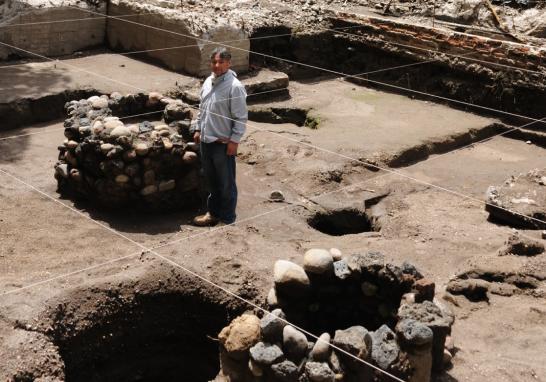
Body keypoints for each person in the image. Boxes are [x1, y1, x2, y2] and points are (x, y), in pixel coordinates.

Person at [192, 47, 248, 226]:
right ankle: (213, 214)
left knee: (226, 184)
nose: (217, 65)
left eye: (221, 62)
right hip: (206, 141)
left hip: (223, 143)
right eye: (214, 62)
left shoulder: (235, 87)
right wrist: (198, 129)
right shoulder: (208, 81)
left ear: (228, 63)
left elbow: (241, 117)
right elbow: (202, 108)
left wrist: (234, 141)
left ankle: (227, 219)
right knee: (212, 181)